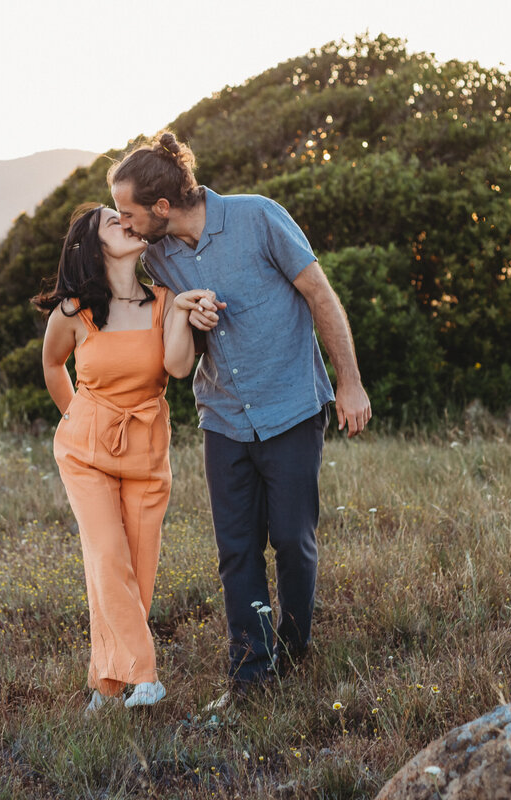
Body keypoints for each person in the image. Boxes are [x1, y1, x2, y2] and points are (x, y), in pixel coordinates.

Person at [108, 132, 372, 705]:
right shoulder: (155, 256)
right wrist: (188, 310)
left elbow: (320, 296)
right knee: (236, 548)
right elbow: (167, 327)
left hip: (291, 410)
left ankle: (296, 650)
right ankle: (250, 674)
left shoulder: (259, 218)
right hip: (222, 417)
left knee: (293, 539)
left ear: (161, 207)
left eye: (128, 212)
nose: (122, 222)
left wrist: (349, 381)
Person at [33, 202, 219, 714]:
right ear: (93, 246)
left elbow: (178, 369)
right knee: (108, 556)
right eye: (113, 222)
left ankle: (107, 684)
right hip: (86, 451)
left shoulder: (164, 302)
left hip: (146, 451)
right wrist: (77, 416)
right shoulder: (73, 311)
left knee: (134, 568)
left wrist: (185, 311)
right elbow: (52, 365)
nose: (127, 222)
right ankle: (145, 676)